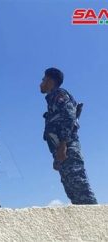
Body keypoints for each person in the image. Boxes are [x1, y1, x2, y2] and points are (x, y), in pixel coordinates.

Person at [40, 67, 97, 204]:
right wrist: (57, 157)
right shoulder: (53, 99)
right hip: (62, 153)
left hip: (68, 149)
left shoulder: (60, 95)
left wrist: (63, 145)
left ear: (49, 80)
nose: (41, 83)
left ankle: (99, 225)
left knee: (81, 190)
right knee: (74, 193)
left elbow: (69, 117)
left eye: (43, 79)